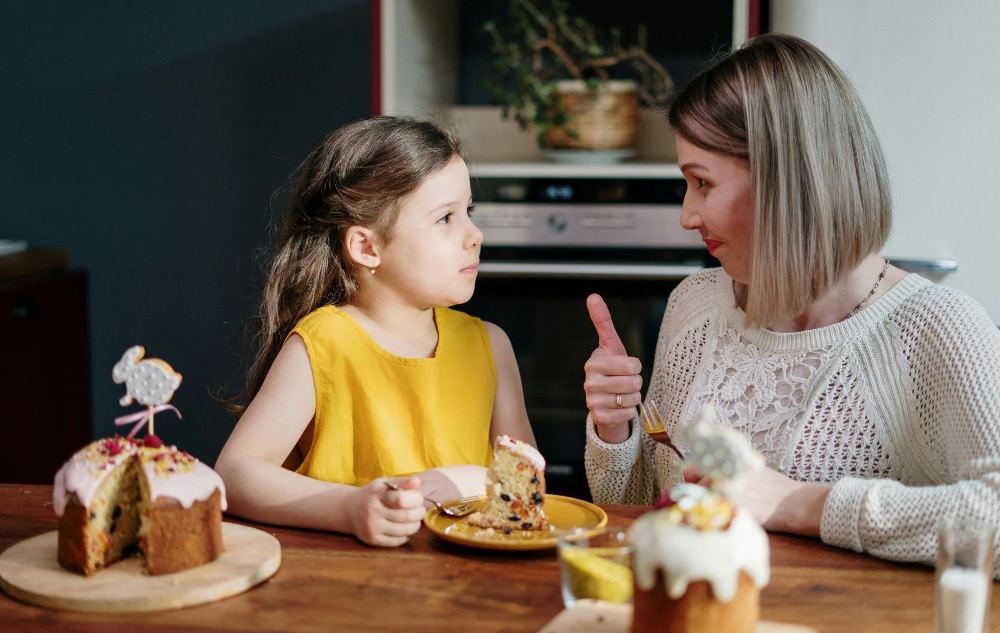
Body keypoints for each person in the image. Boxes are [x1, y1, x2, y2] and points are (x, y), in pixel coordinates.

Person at [582, 33, 1000, 575]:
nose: (686, 215)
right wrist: (615, 429)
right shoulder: (695, 305)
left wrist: (797, 504)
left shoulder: (938, 330)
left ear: (787, 182)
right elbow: (641, 508)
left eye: (702, 183)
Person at [216, 116, 536, 547]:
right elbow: (235, 475)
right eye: (445, 218)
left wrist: (469, 478)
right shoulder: (323, 344)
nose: (474, 234)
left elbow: (528, 485)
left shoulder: (491, 346)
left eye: (468, 212)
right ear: (367, 247)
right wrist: (350, 508)